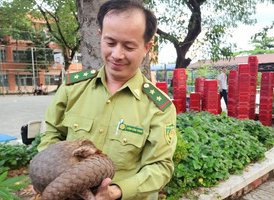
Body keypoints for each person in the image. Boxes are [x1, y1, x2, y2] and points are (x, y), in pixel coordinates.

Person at [37, 0, 177, 199]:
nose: (116, 55)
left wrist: (117, 192)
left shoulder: (158, 107)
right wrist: (53, 176)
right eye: (110, 43)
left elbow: (160, 167)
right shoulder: (72, 89)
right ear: (100, 36)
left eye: (129, 47)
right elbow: (51, 136)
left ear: (147, 47)